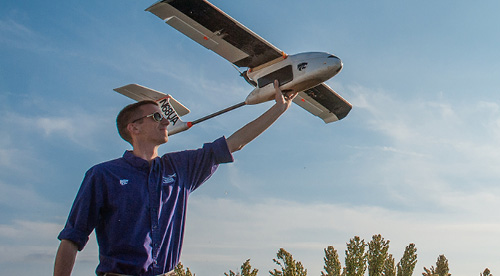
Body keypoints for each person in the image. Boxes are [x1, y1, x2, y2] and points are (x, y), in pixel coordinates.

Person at [54, 80, 297, 276]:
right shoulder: (103, 175)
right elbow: (72, 238)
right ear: (134, 128)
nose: (167, 121)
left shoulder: (180, 167)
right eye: (157, 117)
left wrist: (277, 109)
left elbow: (234, 144)